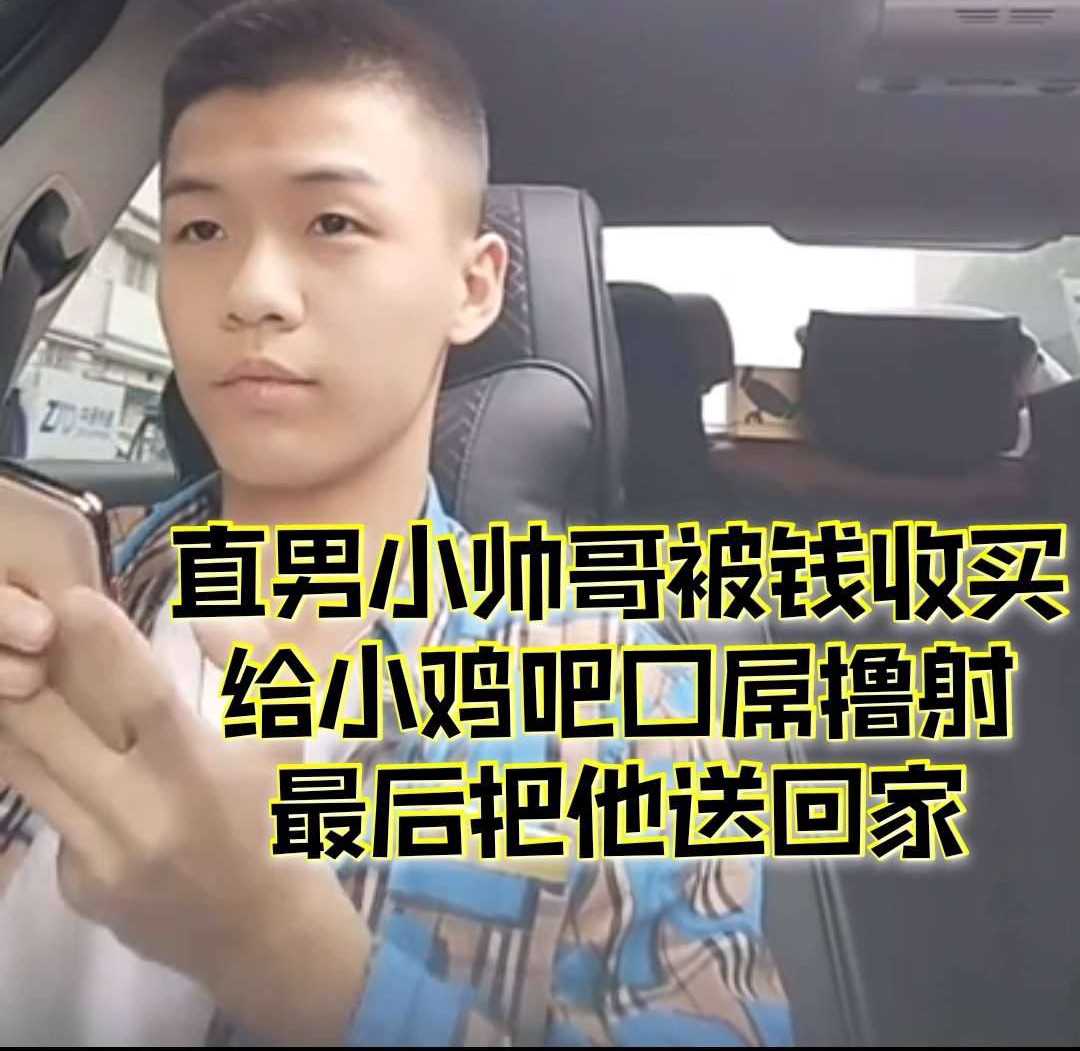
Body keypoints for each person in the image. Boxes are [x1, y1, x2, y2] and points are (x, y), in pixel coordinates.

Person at [0, 1, 792, 1044]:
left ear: (474, 288)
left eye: (333, 223)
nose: (252, 292)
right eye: (201, 228)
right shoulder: (56, 591)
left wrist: (286, 953)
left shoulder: (626, 701)